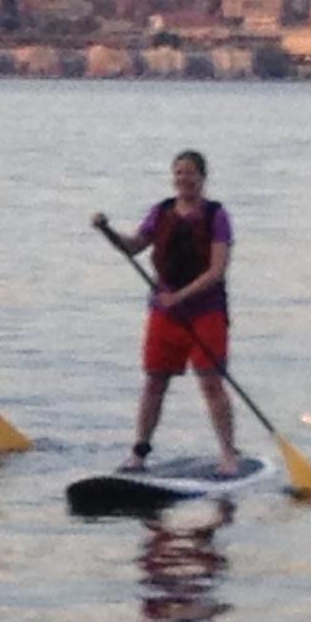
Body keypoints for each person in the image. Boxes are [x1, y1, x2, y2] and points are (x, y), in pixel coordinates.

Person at [93, 149, 241, 476]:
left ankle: (228, 454)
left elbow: (216, 270)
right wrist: (107, 231)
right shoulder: (160, 212)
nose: (184, 179)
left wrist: (181, 296)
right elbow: (132, 247)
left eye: (190, 173)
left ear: (202, 178)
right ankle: (139, 452)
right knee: (154, 382)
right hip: (165, 313)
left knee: (211, 383)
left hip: (206, 312)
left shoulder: (217, 215)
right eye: (179, 173)